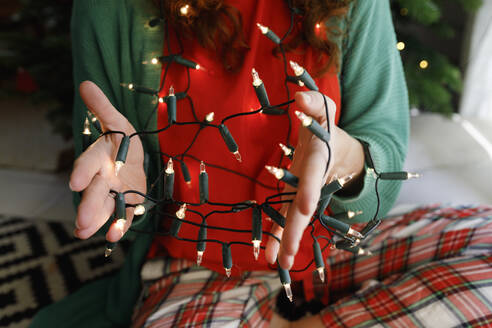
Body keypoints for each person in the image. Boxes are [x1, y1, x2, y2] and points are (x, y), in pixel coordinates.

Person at [30, 0, 492, 327]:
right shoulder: (110, 8)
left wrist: (350, 162)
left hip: (340, 252)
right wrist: (123, 194)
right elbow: (102, 191)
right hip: (195, 272)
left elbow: (382, 156)